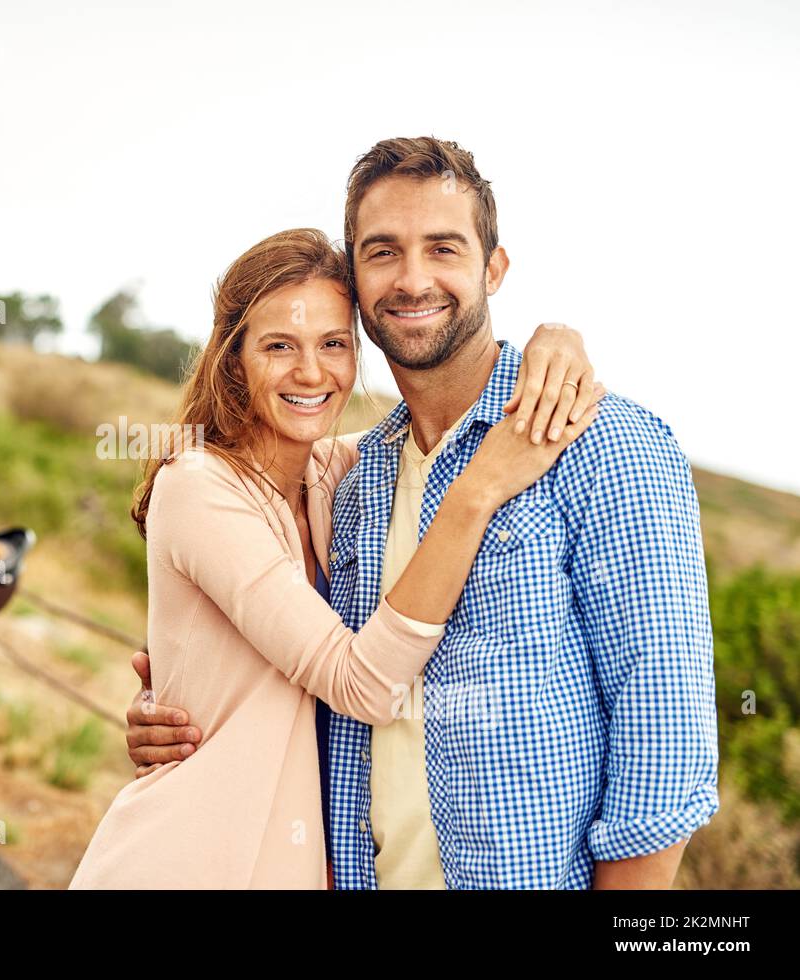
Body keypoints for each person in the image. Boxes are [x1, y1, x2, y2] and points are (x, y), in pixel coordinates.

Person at [124, 137, 719, 890]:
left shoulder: (603, 443)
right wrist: (179, 694)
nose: (412, 280)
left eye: (443, 248)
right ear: (355, 276)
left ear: (493, 268)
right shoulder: (353, 476)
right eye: (382, 252)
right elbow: (318, 666)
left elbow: (664, 732)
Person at [70, 224, 602, 889]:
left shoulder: (334, 470)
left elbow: (432, 421)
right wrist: (477, 495)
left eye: (333, 344)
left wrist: (556, 340)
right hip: (188, 863)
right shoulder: (199, 485)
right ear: (232, 359)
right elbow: (363, 685)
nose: (312, 373)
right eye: (278, 347)